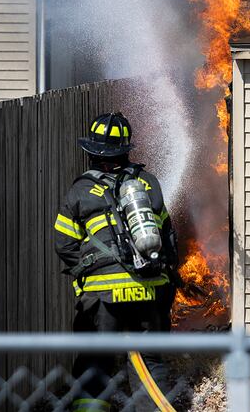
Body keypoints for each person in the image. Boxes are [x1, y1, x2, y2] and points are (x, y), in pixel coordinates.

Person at [53, 112, 179, 411]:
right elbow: (169, 239)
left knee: (94, 361)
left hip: (102, 294)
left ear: (92, 152)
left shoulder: (81, 190)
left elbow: (65, 244)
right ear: (126, 149)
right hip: (149, 288)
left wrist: (92, 271)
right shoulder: (147, 183)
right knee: (148, 361)